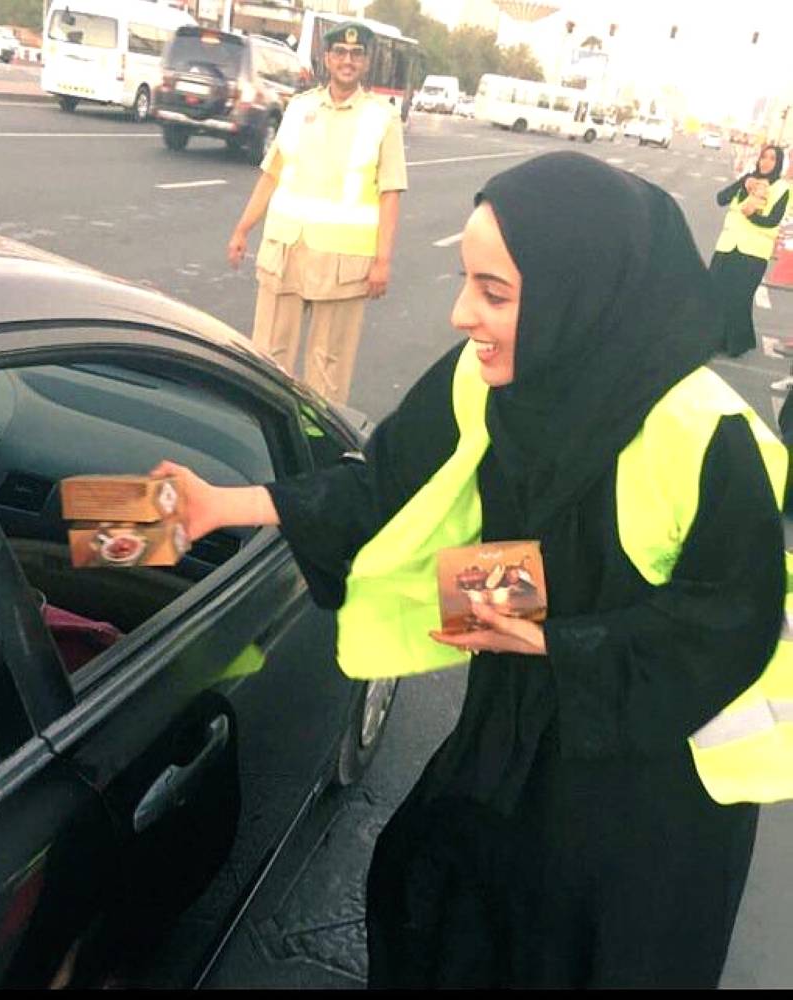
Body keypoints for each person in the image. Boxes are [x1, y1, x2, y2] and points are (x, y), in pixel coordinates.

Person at [154, 152, 788, 987]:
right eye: (466, 282)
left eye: (496, 293)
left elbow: (730, 623)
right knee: (432, 911)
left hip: (652, 796)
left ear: (581, 292)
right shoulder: (485, 380)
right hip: (508, 735)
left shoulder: (709, 433)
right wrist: (222, 506)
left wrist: (556, 645)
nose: (462, 316)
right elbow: (383, 482)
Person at [226, 20, 407, 406]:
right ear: (327, 58)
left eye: (356, 54)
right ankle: (265, 436)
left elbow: (391, 192)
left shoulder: (382, 118)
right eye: (340, 53)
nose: (347, 61)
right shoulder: (300, 107)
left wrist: (383, 262)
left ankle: (317, 448)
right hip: (286, 249)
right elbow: (272, 173)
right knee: (268, 357)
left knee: (328, 369)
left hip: (342, 263)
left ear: (366, 62)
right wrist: (242, 229)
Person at [710, 144, 789, 357]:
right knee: (714, 293)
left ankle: (736, 343)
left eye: (772, 159)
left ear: (778, 163)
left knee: (739, 298)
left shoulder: (782, 188)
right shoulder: (748, 180)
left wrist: (750, 214)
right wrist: (743, 184)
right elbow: (721, 198)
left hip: (754, 252)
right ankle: (715, 338)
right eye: (764, 157)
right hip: (728, 245)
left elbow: (773, 220)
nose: (766, 162)